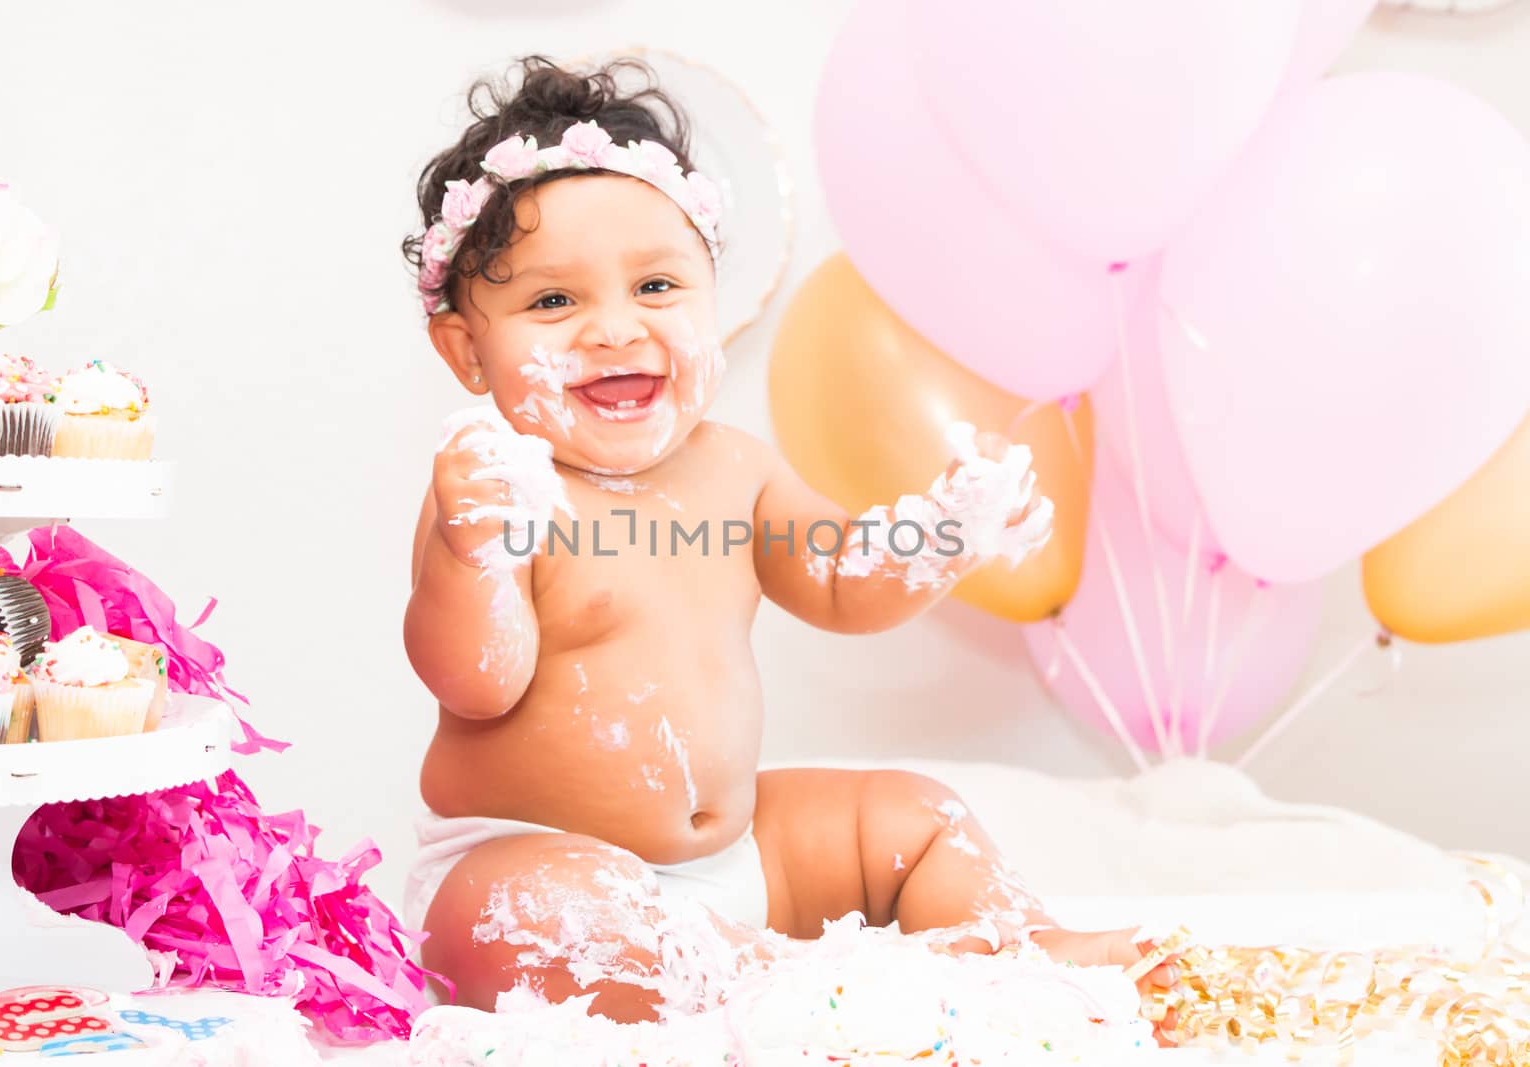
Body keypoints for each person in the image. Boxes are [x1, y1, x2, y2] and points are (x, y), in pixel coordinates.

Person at [400, 55, 1177, 1033]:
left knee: (910, 814)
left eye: (655, 285)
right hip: (534, 855)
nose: (613, 328)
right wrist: (474, 554)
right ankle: (791, 984)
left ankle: (1009, 939)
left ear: (710, 303)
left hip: (738, 860)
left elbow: (844, 582)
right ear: (468, 348)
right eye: (554, 302)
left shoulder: (734, 469)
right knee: (537, 911)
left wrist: (941, 533)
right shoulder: (499, 489)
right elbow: (478, 680)